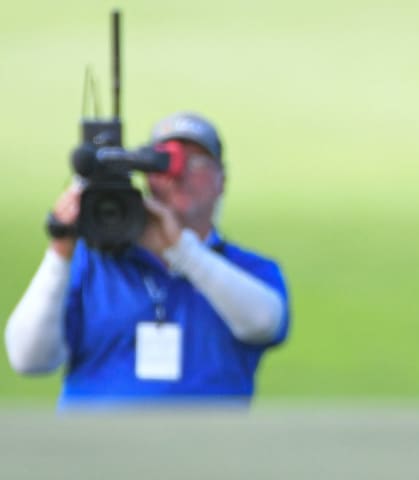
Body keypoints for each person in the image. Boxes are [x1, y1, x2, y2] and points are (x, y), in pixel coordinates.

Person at [4, 112, 290, 411]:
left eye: (196, 164)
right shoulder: (94, 263)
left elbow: (264, 323)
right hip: (97, 451)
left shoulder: (246, 270)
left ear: (222, 180)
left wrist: (183, 251)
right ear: (147, 175)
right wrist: (60, 249)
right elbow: (29, 358)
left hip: (207, 452)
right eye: (164, 162)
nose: (179, 175)